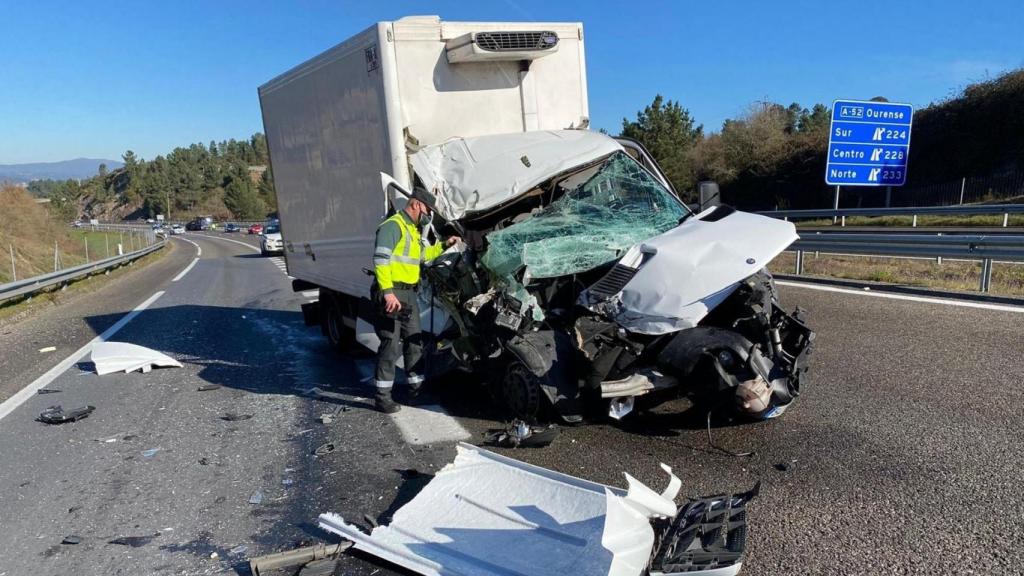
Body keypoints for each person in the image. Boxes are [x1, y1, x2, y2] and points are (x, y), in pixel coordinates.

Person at [371, 188, 459, 413]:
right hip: (391, 293)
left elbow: (422, 257)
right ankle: (382, 397)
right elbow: (380, 260)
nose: (429, 214)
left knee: (415, 342)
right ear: (417, 204)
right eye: (428, 209)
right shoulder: (393, 226)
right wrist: (388, 292)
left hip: (408, 294)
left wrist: (444, 245)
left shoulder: (413, 229)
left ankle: (416, 392)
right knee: (390, 345)